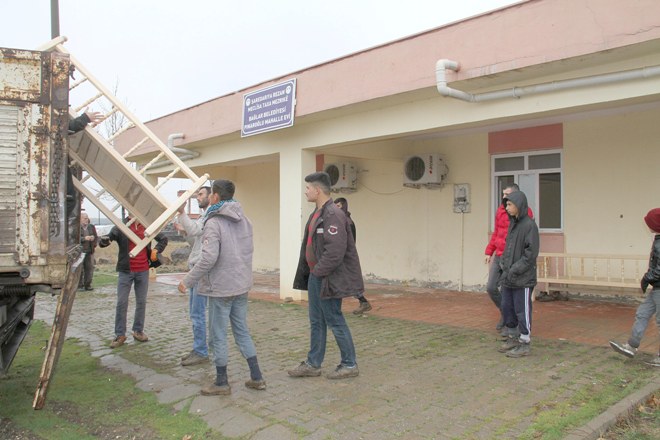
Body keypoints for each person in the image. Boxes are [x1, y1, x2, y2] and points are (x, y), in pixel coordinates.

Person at [177, 180, 266, 395]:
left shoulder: (213, 223)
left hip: (221, 288)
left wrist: (187, 280)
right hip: (241, 285)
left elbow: (208, 259)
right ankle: (256, 377)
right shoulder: (245, 220)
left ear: (215, 196)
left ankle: (221, 382)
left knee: (218, 335)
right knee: (242, 331)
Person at [289, 172, 363, 380]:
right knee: (316, 321)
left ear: (317, 190)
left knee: (334, 319)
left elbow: (335, 252)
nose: (306, 191)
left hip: (327, 277)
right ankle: (313, 364)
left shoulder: (333, 215)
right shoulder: (317, 213)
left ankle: (349, 364)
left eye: (308, 188)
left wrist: (318, 272)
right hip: (317, 275)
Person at [99, 216, 168, 349]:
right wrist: (104, 241)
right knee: (121, 302)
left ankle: (138, 331)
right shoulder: (122, 226)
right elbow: (107, 240)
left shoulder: (148, 225)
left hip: (143, 270)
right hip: (126, 270)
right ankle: (120, 335)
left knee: (141, 302)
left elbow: (163, 238)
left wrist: (156, 249)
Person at [609, 208, 660, 367]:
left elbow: (659, 269)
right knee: (642, 313)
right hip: (656, 287)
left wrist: (647, 278)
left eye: (649, 222)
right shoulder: (658, 239)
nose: (647, 225)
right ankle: (631, 346)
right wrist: (649, 279)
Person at [485, 183, 533, 337]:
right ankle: (505, 314)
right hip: (500, 256)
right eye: (503, 194)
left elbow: (526, 240)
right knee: (491, 287)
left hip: (513, 258)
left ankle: (517, 328)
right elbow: (496, 233)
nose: (504, 198)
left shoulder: (525, 215)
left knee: (514, 295)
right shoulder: (500, 211)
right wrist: (489, 251)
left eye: (507, 195)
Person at [497, 190, 539, 358]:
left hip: (523, 278)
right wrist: (504, 265)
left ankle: (524, 341)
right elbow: (508, 249)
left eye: (510, 204)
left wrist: (515, 268)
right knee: (508, 307)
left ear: (519, 205)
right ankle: (513, 337)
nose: (507, 208)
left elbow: (530, 253)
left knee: (522, 310)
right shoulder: (512, 225)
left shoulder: (529, 226)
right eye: (506, 205)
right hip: (508, 277)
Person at [174, 186, 211, 366]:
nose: (198, 198)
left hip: (200, 271)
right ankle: (199, 348)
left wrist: (182, 213)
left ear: (212, 196)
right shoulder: (205, 215)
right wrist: (184, 229)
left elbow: (196, 230)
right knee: (195, 312)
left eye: (201, 194)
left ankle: (201, 351)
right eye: (197, 194)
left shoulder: (210, 216)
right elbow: (196, 239)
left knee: (198, 313)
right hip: (196, 268)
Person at [334, 197, 372, 315]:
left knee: (348, 280)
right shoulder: (341, 220)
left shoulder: (347, 222)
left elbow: (349, 241)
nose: (337, 208)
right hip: (341, 255)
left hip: (345, 256)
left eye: (339, 206)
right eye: (336, 206)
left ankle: (363, 302)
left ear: (344, 206)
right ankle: (362, 302)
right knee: (343, 280)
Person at [79, 212, 98, 291]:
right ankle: (79, 285)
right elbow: (73, 239)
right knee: (79, 269)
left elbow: (96, 237)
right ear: (80, 219)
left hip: (89, 251)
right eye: (85, 218)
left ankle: (88, 285)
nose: (87, 220)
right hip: (79, 252)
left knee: (89, 268)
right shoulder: (76, 227)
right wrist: (84, 238)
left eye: (87, 218)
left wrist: (93, 239)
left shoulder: (91, 227)